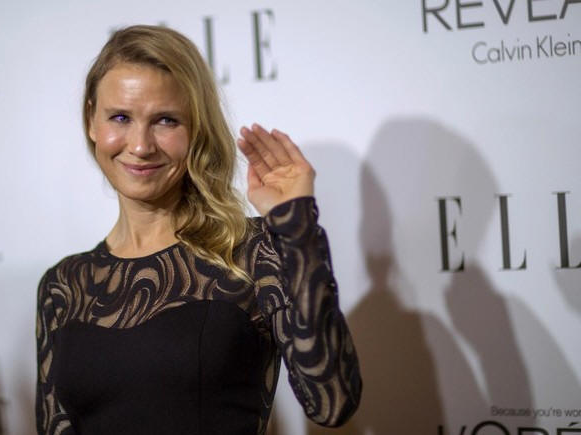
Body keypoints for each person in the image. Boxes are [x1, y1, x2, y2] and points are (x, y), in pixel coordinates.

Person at [35, 25, 361, 435]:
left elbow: (332, 401)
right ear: (91, 121)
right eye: (120, 117)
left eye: (165, 120)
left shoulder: (251, 251)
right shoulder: (63, 285)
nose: (141, 145)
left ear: (197, 128)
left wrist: (295, 223)